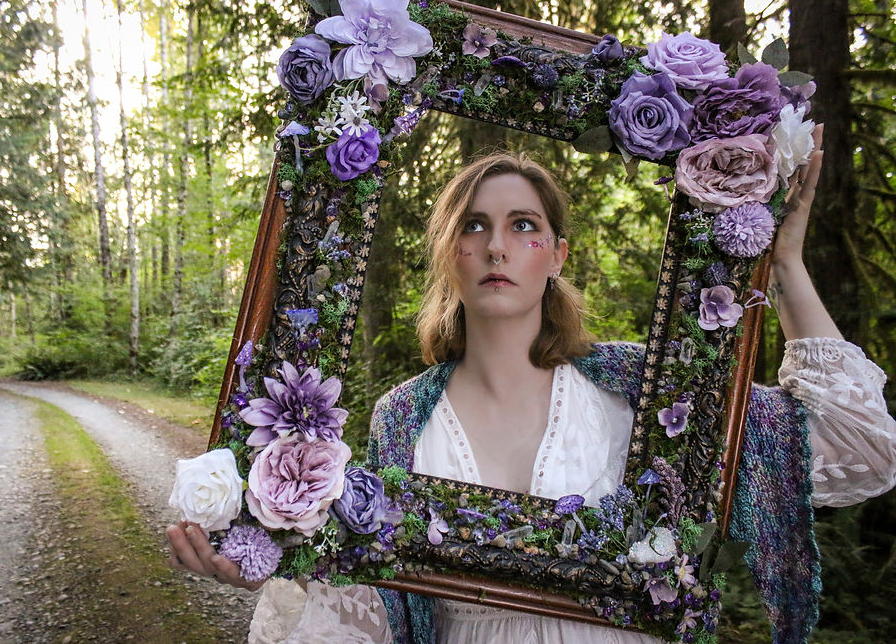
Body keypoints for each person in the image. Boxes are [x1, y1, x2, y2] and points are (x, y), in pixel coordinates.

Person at [167, 132, 896, 643]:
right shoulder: (399, 420)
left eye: (523, 225)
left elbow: (861, 447)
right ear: (450, 253)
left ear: (556, 254)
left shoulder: (643, 392)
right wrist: (267, 559)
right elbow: (371, 605)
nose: (496, 246)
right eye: (474, 226)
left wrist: (788, 262)